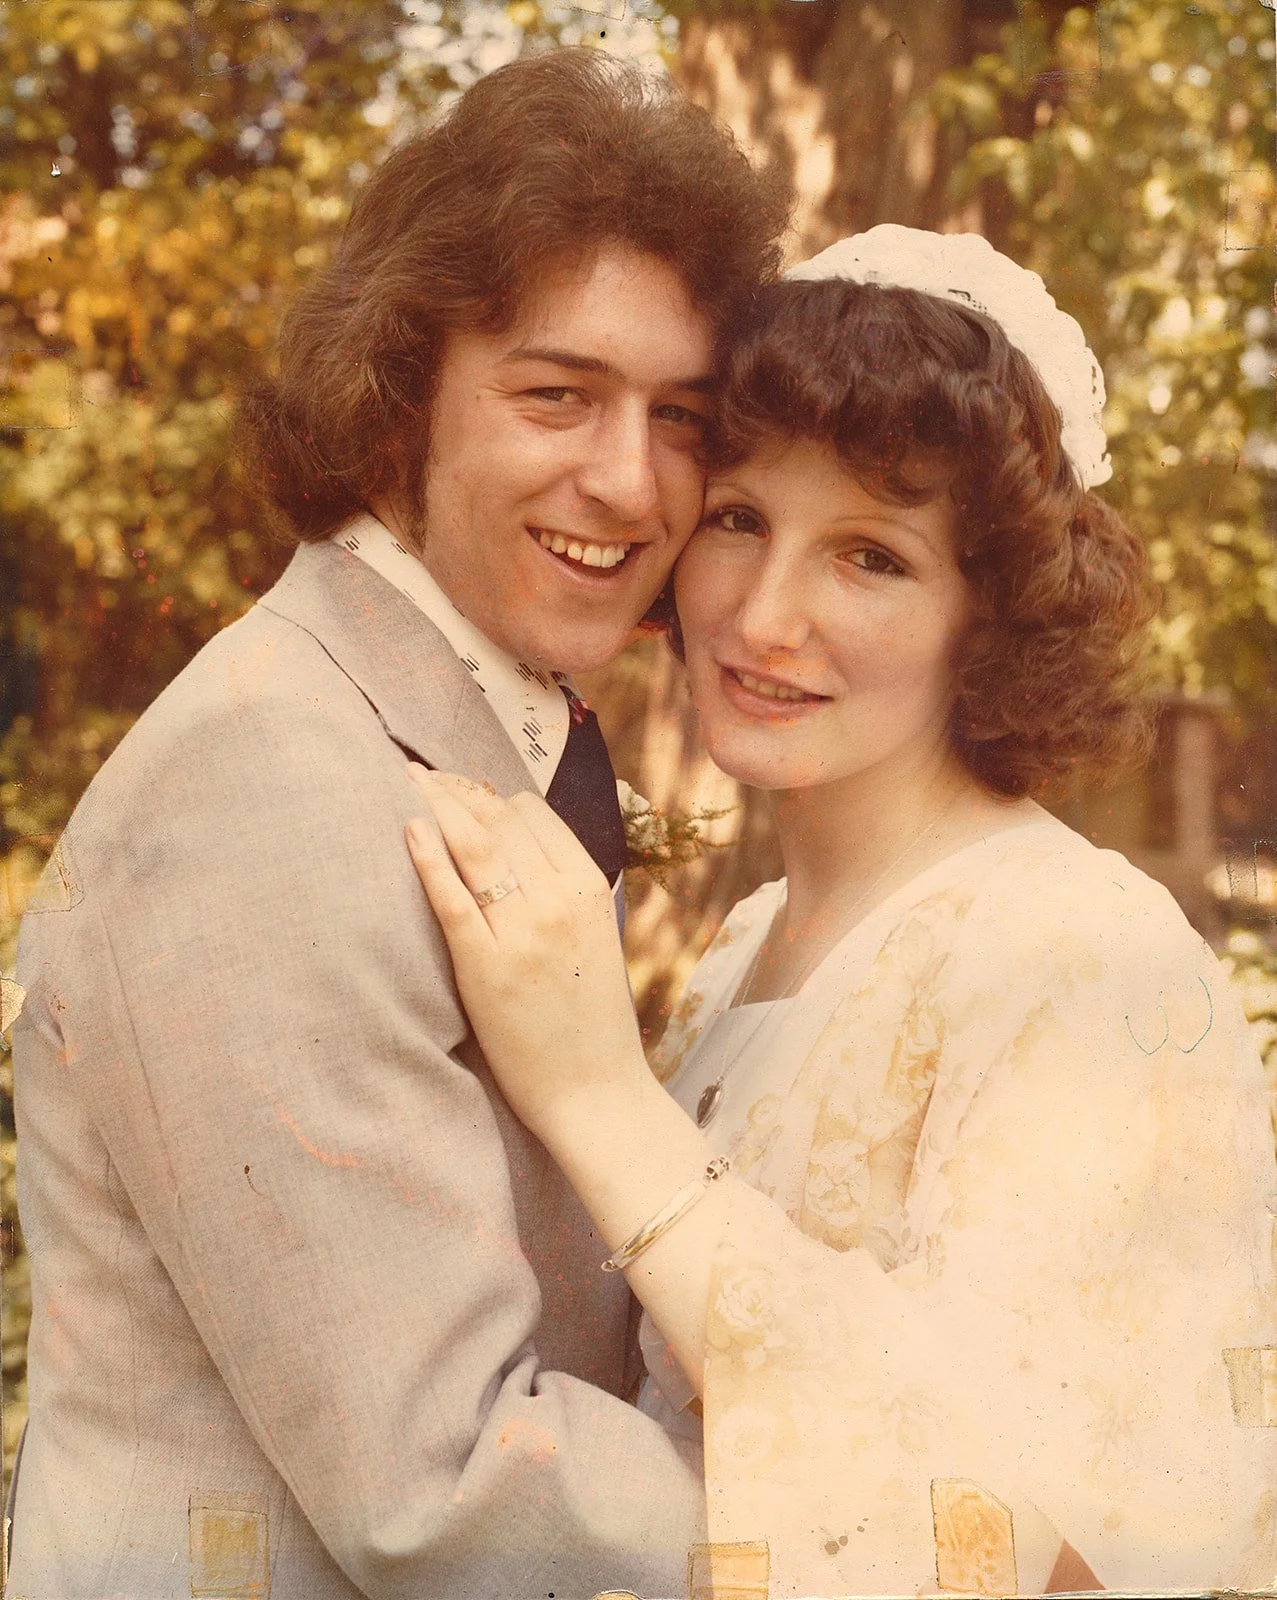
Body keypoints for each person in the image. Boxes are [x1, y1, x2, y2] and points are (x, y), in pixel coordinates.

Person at [8, 49, 789, 1600]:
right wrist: (893, 1488)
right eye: (555, 393)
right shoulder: (270, 776)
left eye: (683, 417)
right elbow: (443, 1490)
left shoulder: (465, 723)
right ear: (395, 399)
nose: (629, 482)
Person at [406, 226, 1277, 1598]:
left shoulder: (1090, 961)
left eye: (870, 557)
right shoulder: (741, 946)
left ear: (991, 616)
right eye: (740, 519)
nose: (761, 616)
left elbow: (1045, 1549)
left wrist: (596, 1095)